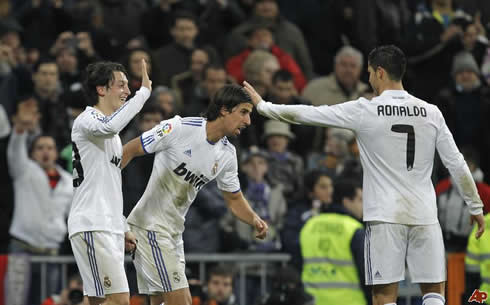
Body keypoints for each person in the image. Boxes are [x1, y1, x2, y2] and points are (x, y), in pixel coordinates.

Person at [243, 45, 486, 305]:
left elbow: (310, 114)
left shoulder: (365, 110)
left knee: (384, 296)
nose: (368, 79)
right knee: (434, 293)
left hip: (384, 216)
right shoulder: (431, 112)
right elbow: (457, 163)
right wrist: (474, 205)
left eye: (370, 73)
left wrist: (265, 107)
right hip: (424, 213)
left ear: (380, 72)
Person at [122, 84, 268, 305]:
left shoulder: (228, 154)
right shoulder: (179, 128)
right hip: (149, 227)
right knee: (182, 301)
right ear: (224, 110)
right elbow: (129, 150)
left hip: (173, 234)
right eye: (244, 112)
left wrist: (254, 219)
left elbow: (234, 198)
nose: (248, 121)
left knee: (159, 300)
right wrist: (108, 193)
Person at [67, 59, 152, 305]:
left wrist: (122, 225)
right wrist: (143, 93)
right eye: (121, 85)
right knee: (119, 300)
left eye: (129, 86)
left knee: (99, 301)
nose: (127, 91)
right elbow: (111, 125)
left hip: (106, 223)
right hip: (93, 223)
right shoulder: (87, 120)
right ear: (101, 89)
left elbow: (107, 186)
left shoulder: (111, 136)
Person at [300, 179, 369, 305]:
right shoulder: (353, 229)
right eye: (360, 200)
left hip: (313, 301)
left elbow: (299, 264)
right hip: (349, 301)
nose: (364, 205)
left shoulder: (309, 225)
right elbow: (366, 274)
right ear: (347, 202)